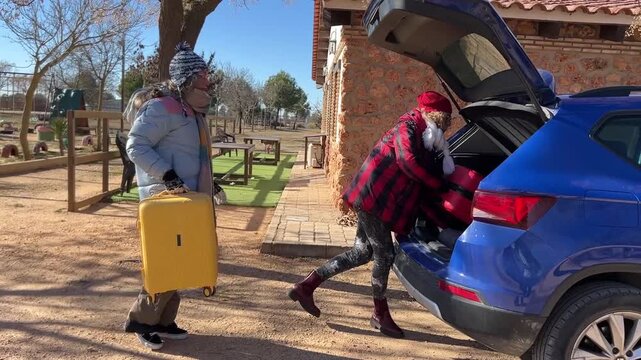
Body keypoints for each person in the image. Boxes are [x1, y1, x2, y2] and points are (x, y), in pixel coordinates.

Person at [288, 91, 455, 338]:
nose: (445, 127)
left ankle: (306, 286)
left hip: (373, 199)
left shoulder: (422, 132)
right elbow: (407, 161)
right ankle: (379, 314)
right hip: (372, 199)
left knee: (362, 252)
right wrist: (436, 183)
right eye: (444, 121)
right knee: (385, 254)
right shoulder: (407, 126)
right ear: (435, 116)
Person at [122, 42, 214, 350]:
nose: (208, 78)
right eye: (202, 73)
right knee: (163, 261)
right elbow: (135, 145)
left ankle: (163, 320)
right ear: (188, 76)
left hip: (185, 200)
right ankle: (141, 320)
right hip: (163, 199)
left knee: (181, 259)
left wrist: (209, 183)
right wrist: (168, 175)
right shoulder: (161, 108)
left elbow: (194, 155)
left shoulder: (192, 110)